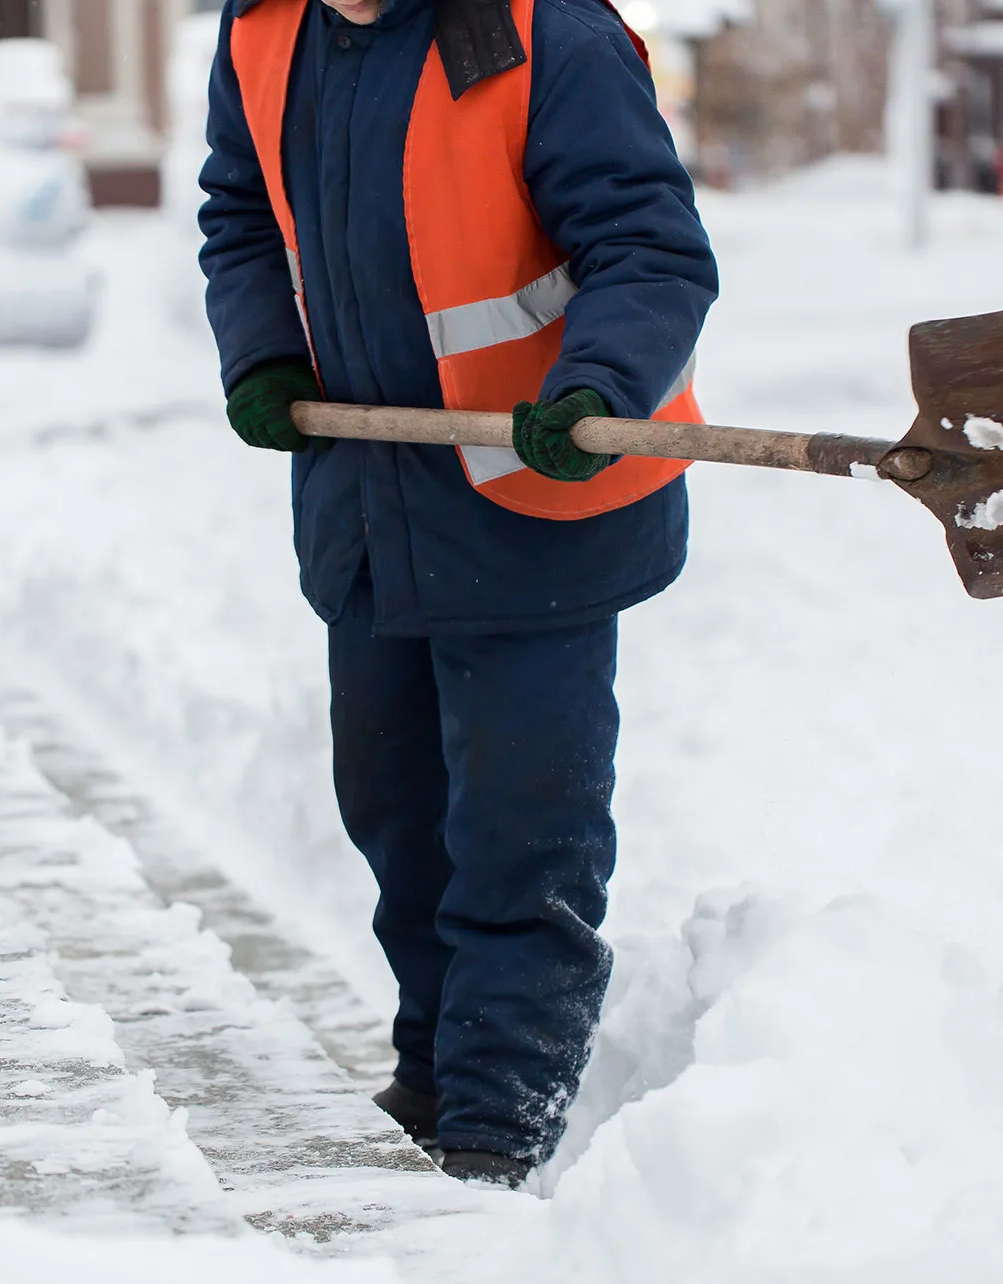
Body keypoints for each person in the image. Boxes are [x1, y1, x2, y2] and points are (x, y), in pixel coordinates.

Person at [198, 0, 717, 1186]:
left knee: (519, 828)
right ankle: (435, 1059)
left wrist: (598, 384)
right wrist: (261, 349)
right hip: (373, 503)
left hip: (536, 501)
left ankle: (498, 1115)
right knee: (391, 802)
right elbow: (240, 216)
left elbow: (649, 245)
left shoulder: (544, 39)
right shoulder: (264, 31)